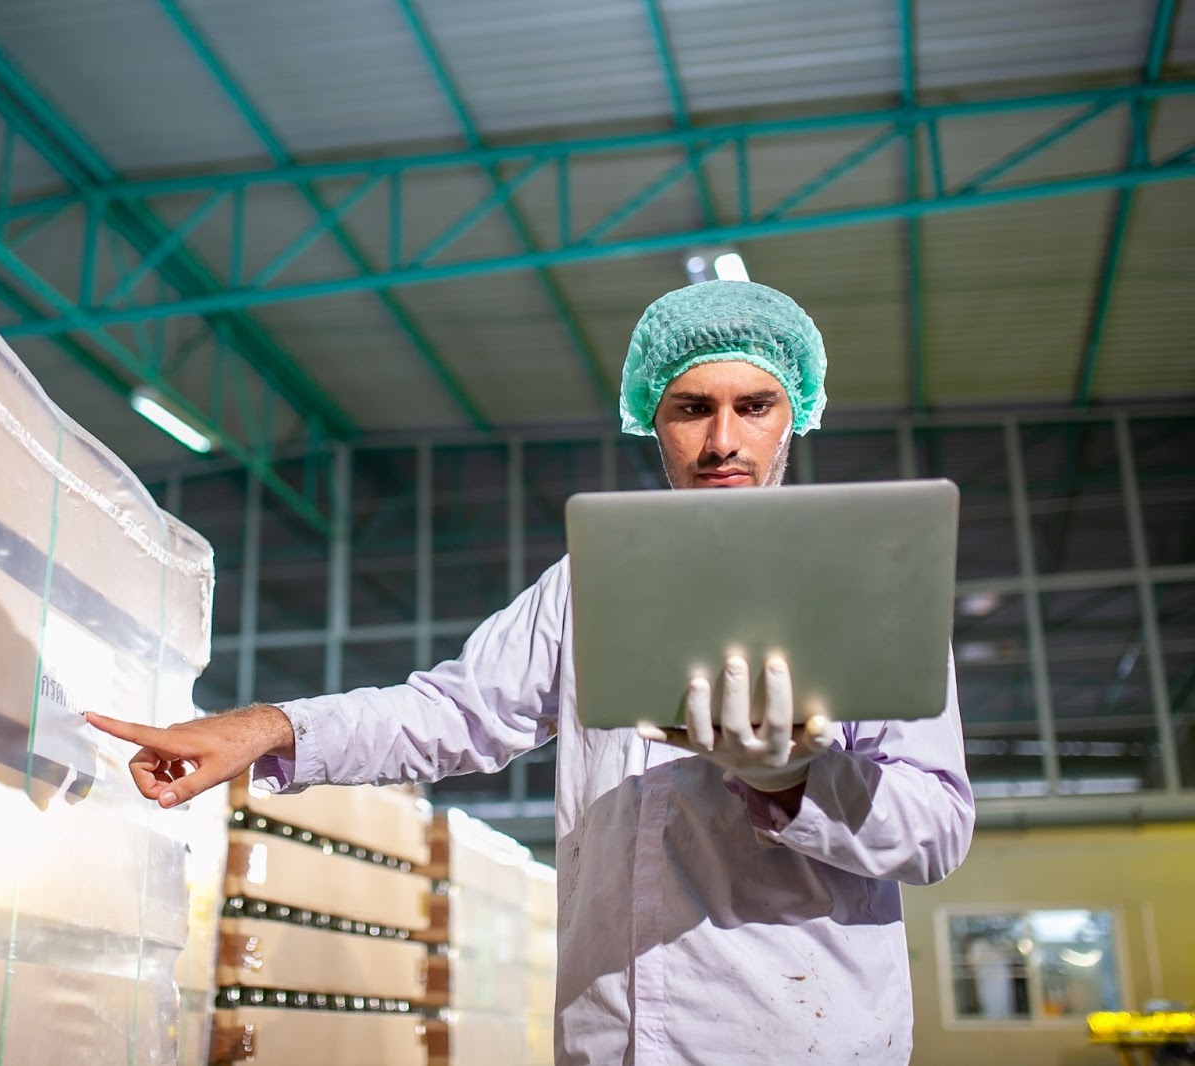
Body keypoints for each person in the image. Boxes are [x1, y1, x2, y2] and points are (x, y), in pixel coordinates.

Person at [88, 280, 975, 1065]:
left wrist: (792, 782)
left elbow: (937, 827)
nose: (721, 441)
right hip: (609, 1037)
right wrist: (267, 729)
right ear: (651, 425)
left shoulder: (864, 583)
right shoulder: (589, 583)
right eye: (691, 408)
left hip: (797, 1039)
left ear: (798, 414)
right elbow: (455, 713)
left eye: (754, 406)